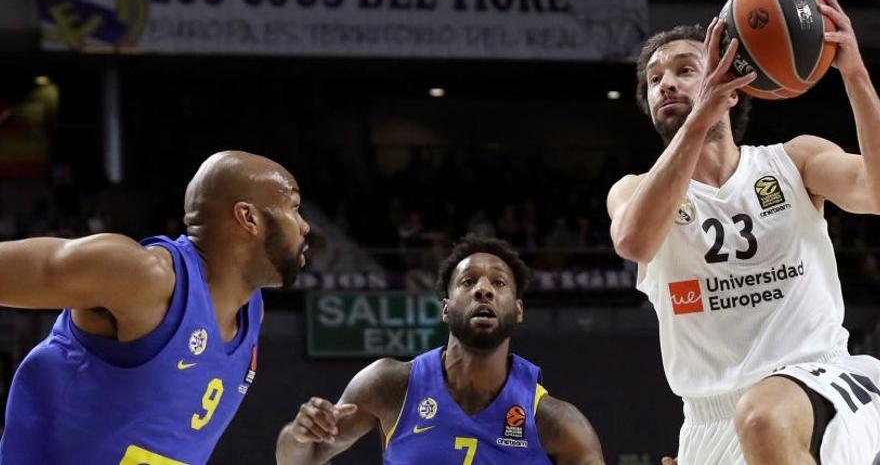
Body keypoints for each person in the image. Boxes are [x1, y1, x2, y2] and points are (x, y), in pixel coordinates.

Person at [607, 0, 880, 465]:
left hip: (819, 382)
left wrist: (855, 75)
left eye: (685, 70)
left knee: (762, 417)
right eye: (654, 80)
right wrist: (700, 111)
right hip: (708, 421)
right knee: (755, 417)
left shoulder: (794, 161)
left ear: (733, 84)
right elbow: (634, 240)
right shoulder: (632, 190)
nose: (665, 84)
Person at [0, 151, 311, 464]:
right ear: (248, 218)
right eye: (294, 207)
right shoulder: (142, 278)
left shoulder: (250, 310)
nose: (304, 226)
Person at [275, 236, 604, 465]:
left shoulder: (555, 421)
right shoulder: (390, 385)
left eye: (498, 283)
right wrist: (299, 435)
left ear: (518, 309)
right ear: (446, 308)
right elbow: (299, 459)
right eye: (468, 282)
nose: (483, 290)